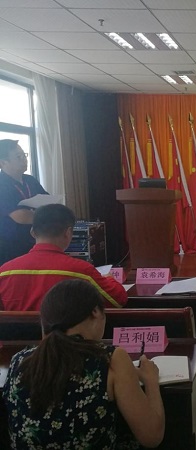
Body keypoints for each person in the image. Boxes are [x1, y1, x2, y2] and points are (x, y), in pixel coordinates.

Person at [2, 279, 165, 449]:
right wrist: (151, 381)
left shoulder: (18, 361)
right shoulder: (110, 359)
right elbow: (151, 436)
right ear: (95, 311)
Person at [0, 203, 127, 310]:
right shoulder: (81, 270)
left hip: (17, 333)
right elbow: (117, 300)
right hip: (65, 334)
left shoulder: (5, 271)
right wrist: (110, 279)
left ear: (32, 233)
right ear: (68, 232)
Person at [0, 139, 48, 265]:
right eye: (18, 157)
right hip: (10, 247)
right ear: (3, 162)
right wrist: (46, 215)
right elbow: (21, 216)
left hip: (36, 242)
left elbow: (49, 203)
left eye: (24, 155)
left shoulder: (30, 180)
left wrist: (45, 212)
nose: (24, 159)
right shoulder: (2, 184)